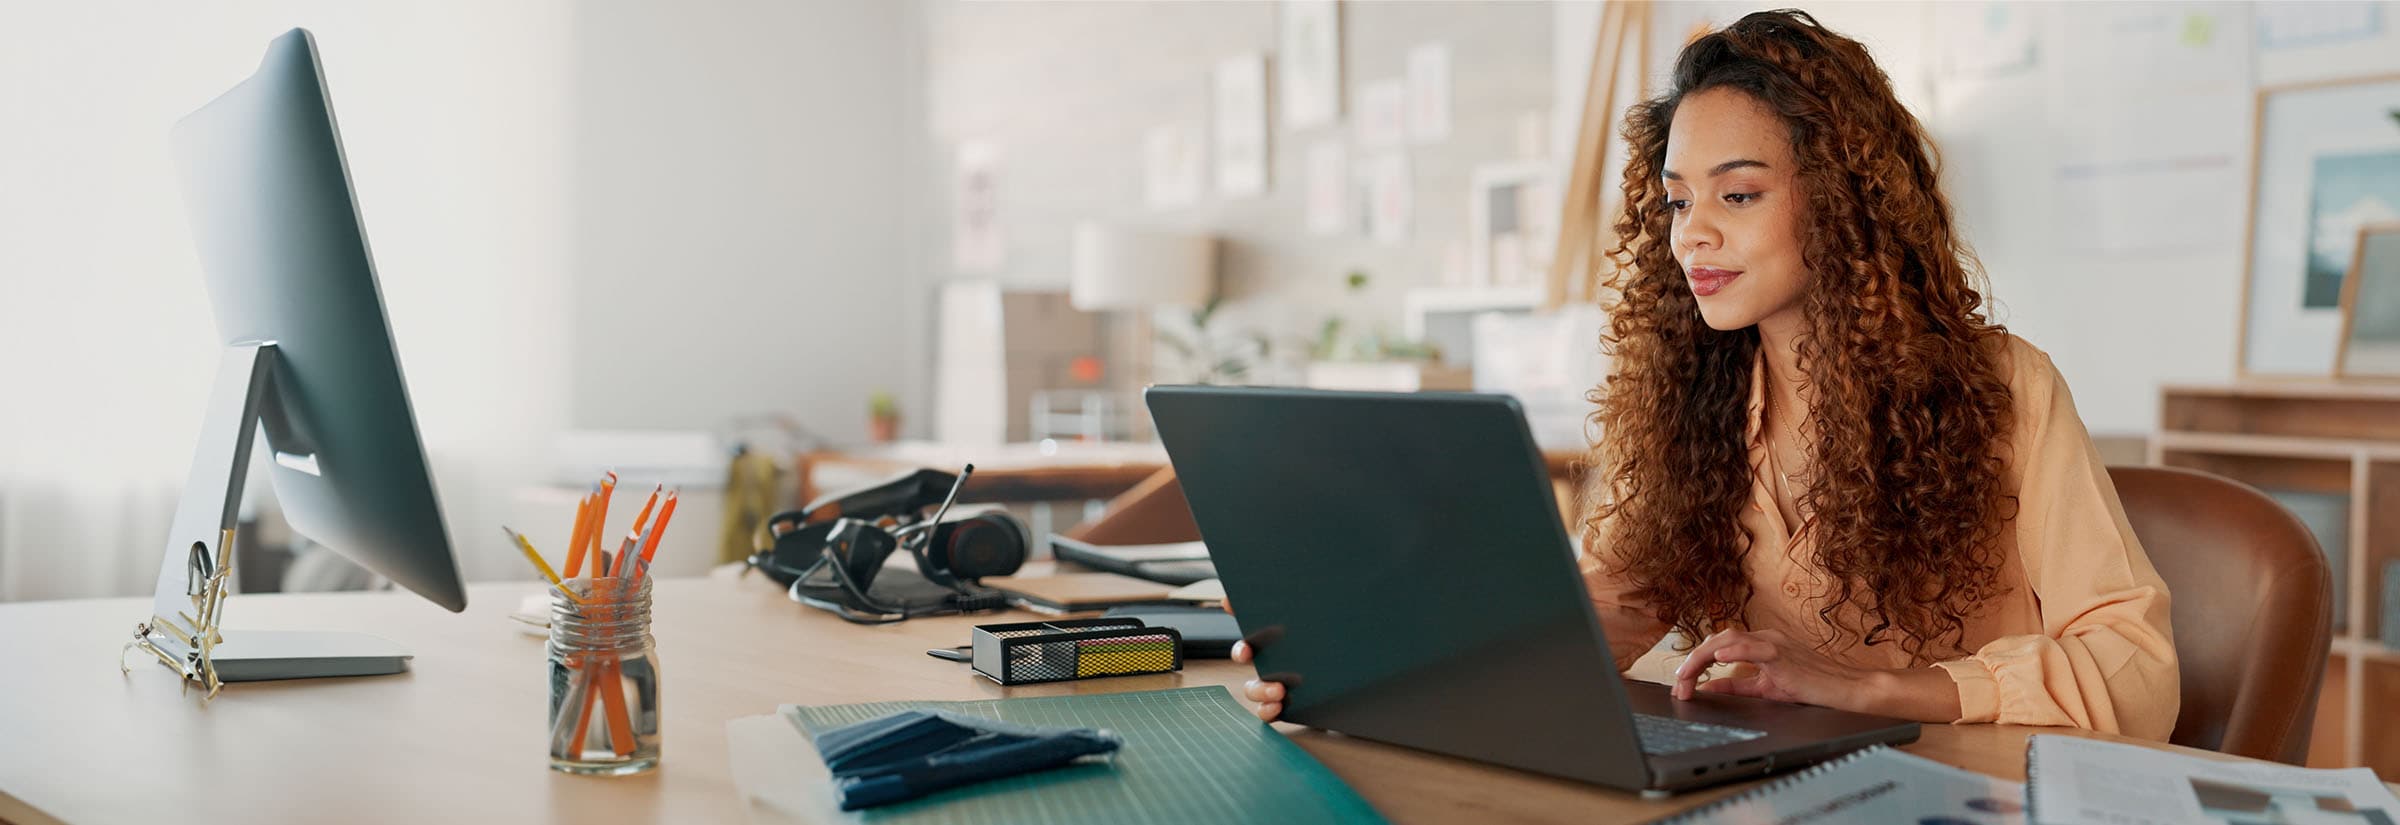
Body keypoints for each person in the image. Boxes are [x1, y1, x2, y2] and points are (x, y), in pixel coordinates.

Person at [1233, 9, 2179, 739]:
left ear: (1844, 203)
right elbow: (1607, 607)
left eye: (1739, 194)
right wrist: (1386, 659)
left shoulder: (2004, 385)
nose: (1693, 234)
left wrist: (1873, 687)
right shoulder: (1692, 398)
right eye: (1679, 200)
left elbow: (2137, 668)